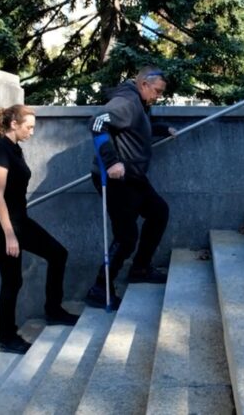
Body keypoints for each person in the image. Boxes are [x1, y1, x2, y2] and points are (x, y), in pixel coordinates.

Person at [0, 104, 79, 354]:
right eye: (29, 127)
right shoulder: (0, 151)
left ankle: (54, 310)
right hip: (1, 225)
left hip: (19, 220)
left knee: (58, 254)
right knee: (12, 281)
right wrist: (9, 234)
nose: (32, 132)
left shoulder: (15, 149)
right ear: (14, 124)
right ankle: (7, 337)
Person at [85, 67, 175, 309]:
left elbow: (135, 128)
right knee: (126, 237)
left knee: (158, 212)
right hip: (117, 180)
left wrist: (162, 129)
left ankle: (140, 268)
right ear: (144, 84)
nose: (158, 96)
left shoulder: (138, 102)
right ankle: (99, 288)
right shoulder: (126, 101)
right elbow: (97, 123)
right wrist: (111, 161)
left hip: (134, 178)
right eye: (156, 91)